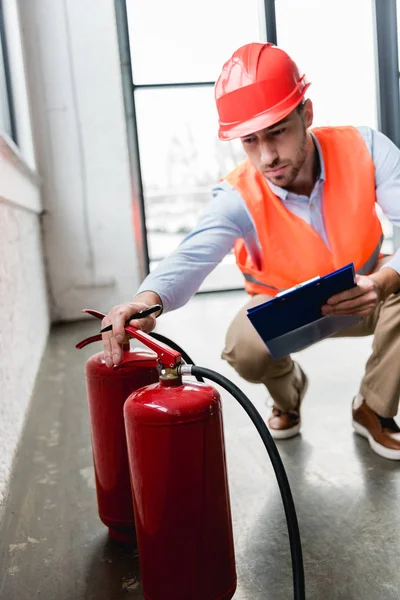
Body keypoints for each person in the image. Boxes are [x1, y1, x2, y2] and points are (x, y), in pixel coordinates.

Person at [101, 43, 400, 460]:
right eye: (250, 140)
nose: (268, 156)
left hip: (364, 293)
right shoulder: (237, 195)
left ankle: (373, 407)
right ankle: (288, 394)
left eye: (277, 131)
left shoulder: (365, 148)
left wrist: (382, 281)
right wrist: (144, 302)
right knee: (244, 347)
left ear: (306, 114)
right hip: (284, 311)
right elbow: (191, 257)